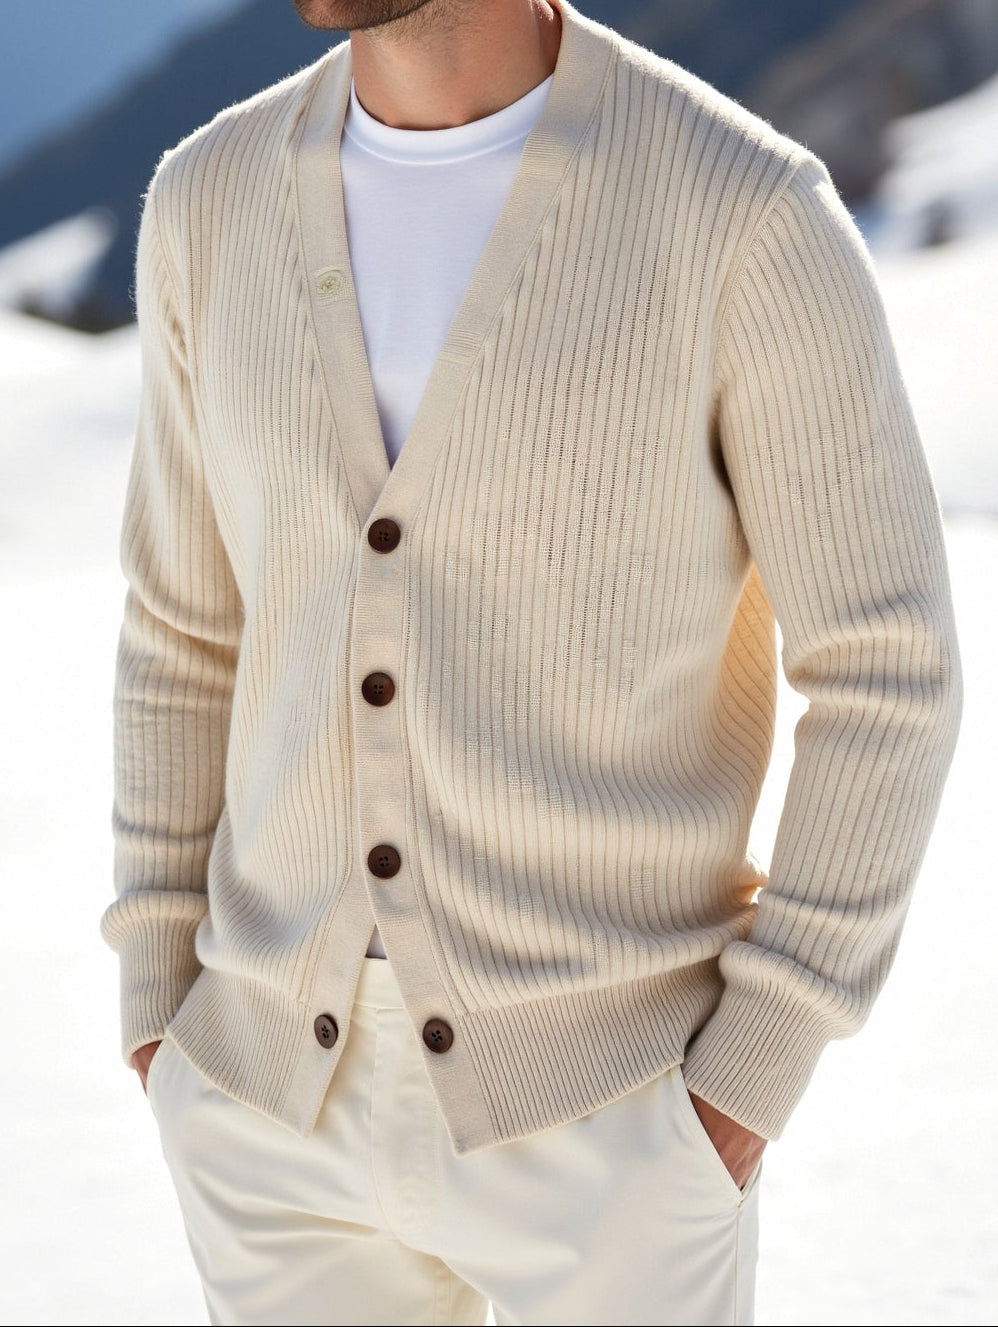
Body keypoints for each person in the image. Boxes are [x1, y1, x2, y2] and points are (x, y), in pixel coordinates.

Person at [101, 1, 962, 1323]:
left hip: (612, 1116)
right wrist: (161, 999)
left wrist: (753, 1067)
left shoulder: (736, 211)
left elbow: (885, 668)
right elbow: (183, 626)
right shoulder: (208, 200)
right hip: (264, 1099)